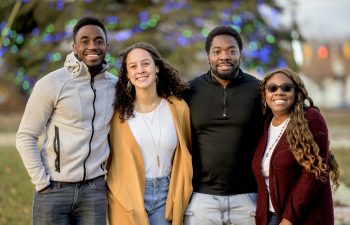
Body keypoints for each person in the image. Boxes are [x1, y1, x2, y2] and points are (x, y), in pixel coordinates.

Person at [16, 16, 117, 225]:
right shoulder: (52, 83)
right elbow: (26, 136)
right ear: (74, 46)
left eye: (99, 41)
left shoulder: (115, 86)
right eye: (85, 41)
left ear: (106, 46)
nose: (92, 46)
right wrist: (42, 183)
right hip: (54, 190)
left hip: (95, 191)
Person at [184, 26, 264, 225]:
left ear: (239, 54)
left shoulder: (258, 90)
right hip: (202, 199)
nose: (224, 56)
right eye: (217, 51)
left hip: (247, 199)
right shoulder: (189, 90)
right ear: (208, 56)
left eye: (231, 51)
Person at [107, 42, 192, 225]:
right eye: (133, 66)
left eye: (145, 63)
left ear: (157, 68)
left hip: (166, 196)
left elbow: (187, 153)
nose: (140, 70)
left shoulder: (178, 108)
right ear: (128, 75)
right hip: (128, 196)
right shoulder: (118, 115)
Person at [252, 68, 340, 225]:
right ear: (265, 94)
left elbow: (313, 173)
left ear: (297, 93)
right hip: (270, 218)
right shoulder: (265, 126)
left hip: (305, 219)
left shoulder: (311, 118)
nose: (279, 92)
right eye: (272, 88)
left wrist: (288, 220)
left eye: (286, 88)